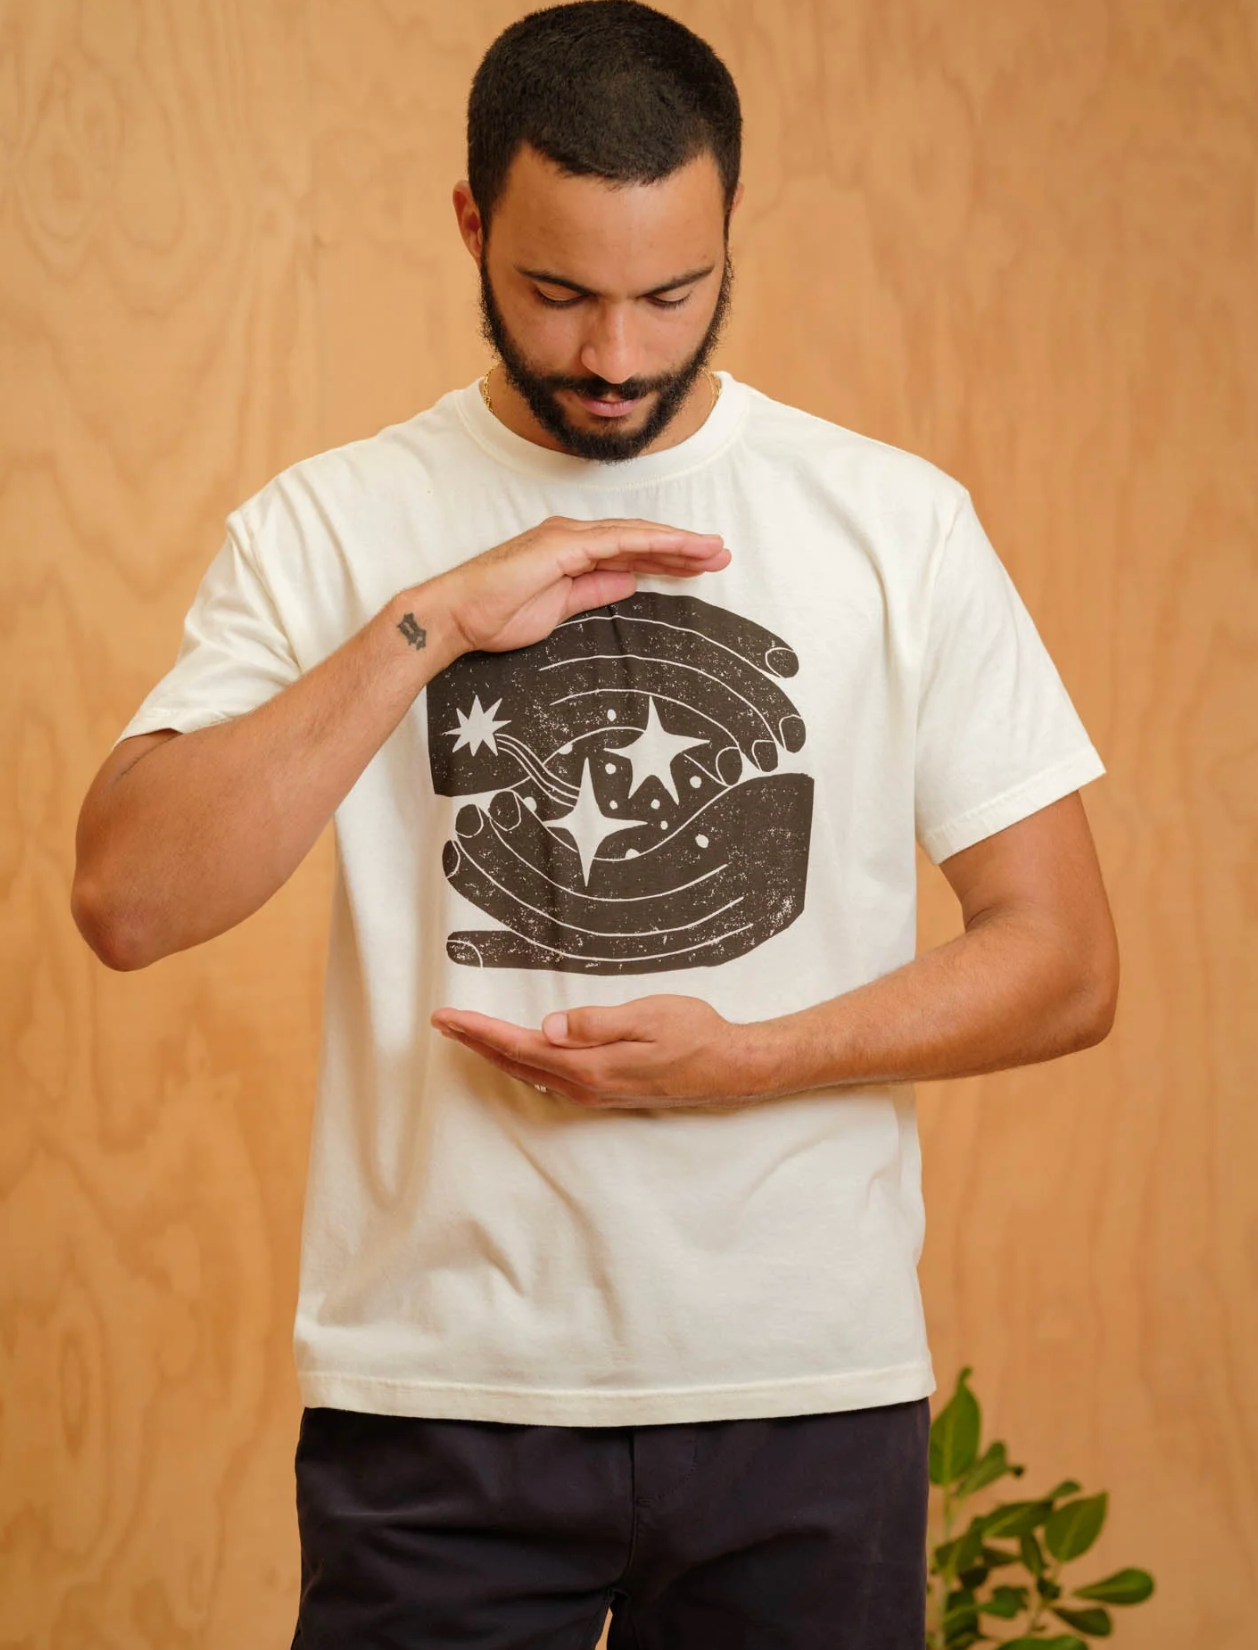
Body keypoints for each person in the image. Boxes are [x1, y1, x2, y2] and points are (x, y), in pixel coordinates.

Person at [70, 3, 1119, 1646]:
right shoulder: (331, 525)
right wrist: (425, 623)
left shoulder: (895, 526)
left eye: (669, 293)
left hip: (804, 1394)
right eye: (558, 293)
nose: (615, 355)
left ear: (725, 236)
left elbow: (1062, 962)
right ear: (473, 225)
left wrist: (749, 1059)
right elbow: (129, 896)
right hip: (435, 1402)